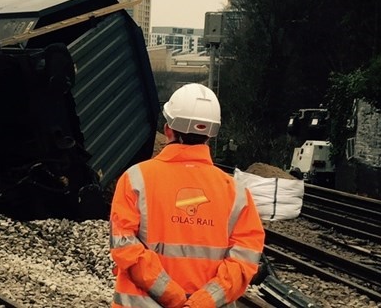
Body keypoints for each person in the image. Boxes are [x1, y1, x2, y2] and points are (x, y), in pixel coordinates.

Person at [109, 83, 265, 308]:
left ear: (168, 129)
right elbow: (244, 261)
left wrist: (171, 294)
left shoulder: (135, 179)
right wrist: (202, 301)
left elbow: (124, 246)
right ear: (211, 135)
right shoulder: (236, 193)